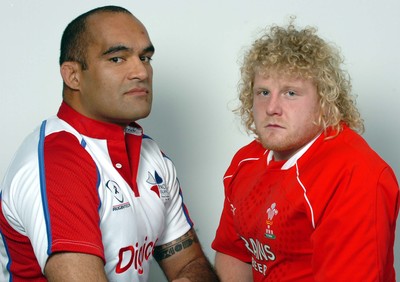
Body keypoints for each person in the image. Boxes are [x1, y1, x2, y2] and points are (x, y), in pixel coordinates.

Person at [0, 5, 219, 282]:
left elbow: (192, 266)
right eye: (117, 59)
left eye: (145, 57)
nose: (141, 71)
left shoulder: (152, 155)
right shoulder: (60, 162)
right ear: (73, 75)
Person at [212, 21, 399, 281]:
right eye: (263, 92)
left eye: (290, 93)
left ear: (324, 102)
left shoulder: (355, 175)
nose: (271, 107)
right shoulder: (246, 160)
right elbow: (233, 252)